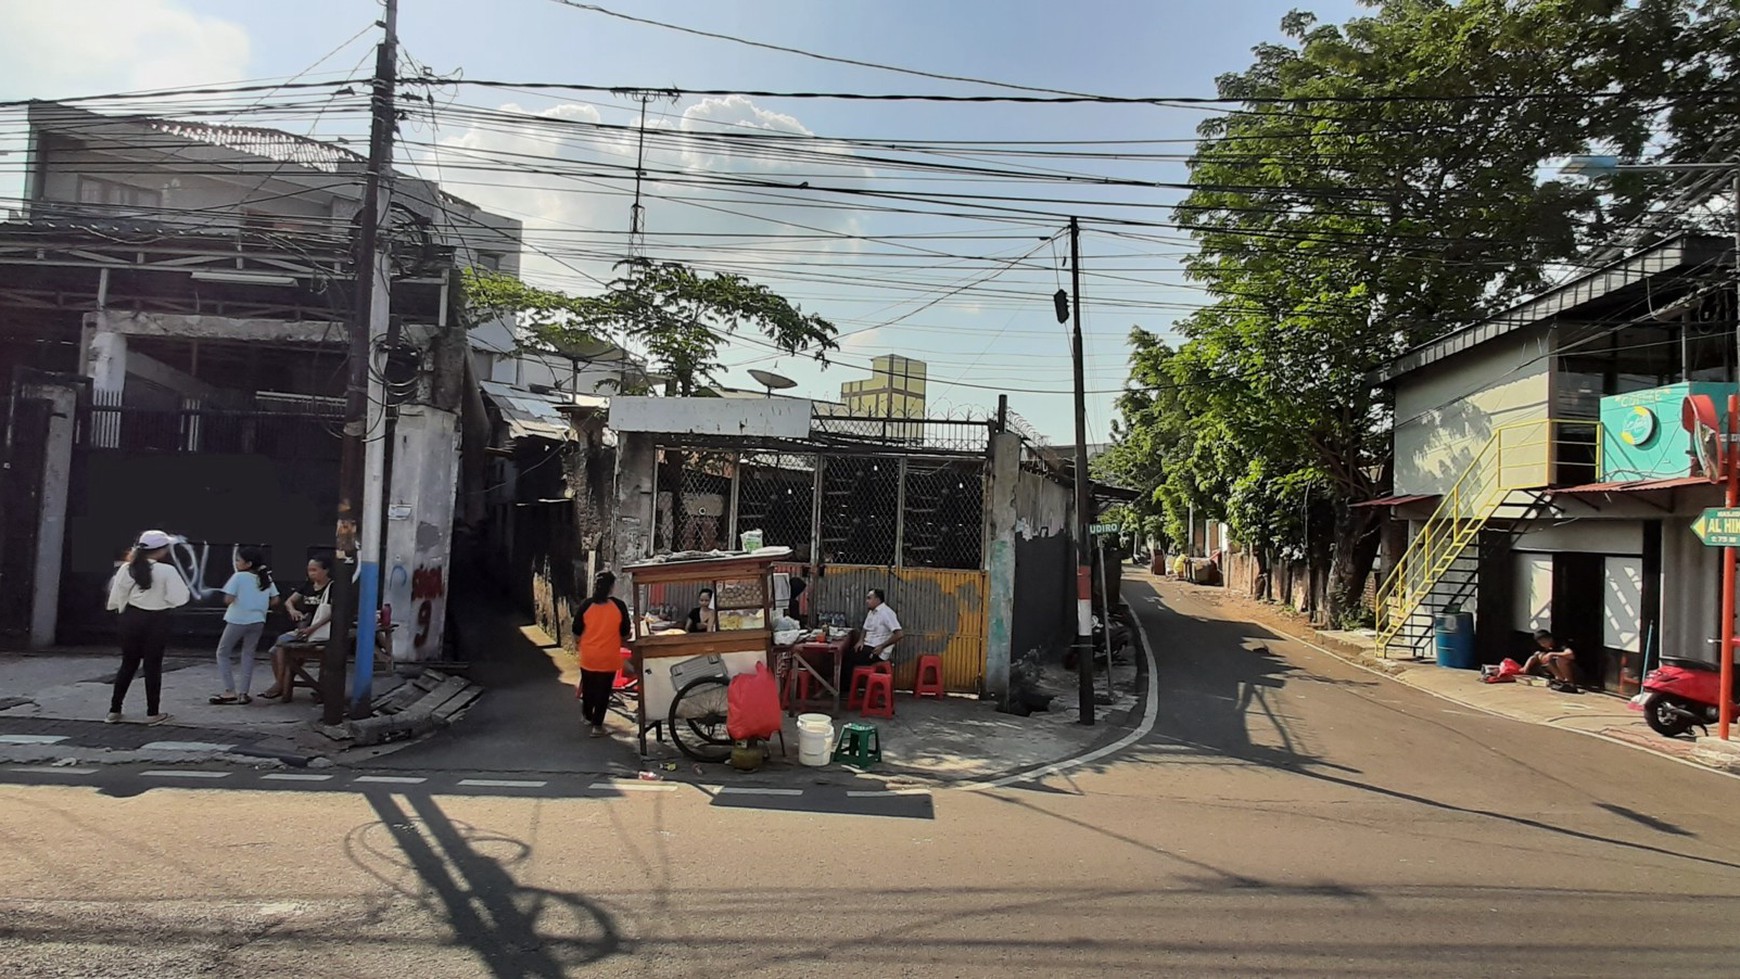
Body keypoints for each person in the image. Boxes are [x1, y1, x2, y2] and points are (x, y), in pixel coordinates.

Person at [105, 529, 191, 724]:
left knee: (128, 664)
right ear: (161, 550)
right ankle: (153, 712)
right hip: (157, 619)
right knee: (153, 666)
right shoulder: (167, 571)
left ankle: (114, 710)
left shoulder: (127, 568)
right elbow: (179, 597)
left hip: (130, 618)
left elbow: (117, 595)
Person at [260, 555, 334, 701]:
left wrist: (313, 628)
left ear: (325, 571)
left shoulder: (332, 587)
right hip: (304, 629)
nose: (311, 573)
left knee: (282, 643)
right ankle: (282, 681)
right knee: (274, 650)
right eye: (309, 570)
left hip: (319, 630)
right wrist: (293, 610)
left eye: (315, 570)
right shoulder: (307, 585)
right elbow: (289, 601)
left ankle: (281, 683)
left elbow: (332, 614)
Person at [211, 546, 278, 705]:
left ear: (248, 564)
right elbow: (275, 600)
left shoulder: (238, 577)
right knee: (248, 654)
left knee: (223, 653)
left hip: (237, 619)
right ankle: (244, 693)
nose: (236, 562)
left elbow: (228, 599)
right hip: (258, 620)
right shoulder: (266, 578)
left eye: (238, 560)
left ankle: (229, 691)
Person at [573, 571, 631, 737]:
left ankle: (587, 716)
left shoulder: (586, 605)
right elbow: (625, 632)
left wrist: (582, 642)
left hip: (589, 655)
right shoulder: (619, 606)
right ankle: (597, 727)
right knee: (603, 692)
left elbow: (576, 630)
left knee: (589, 688)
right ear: (611, 587)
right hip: (608, 656)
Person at [842, 588, 904, 683]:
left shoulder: (886, 613)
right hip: (867, 646)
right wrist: (860, 640)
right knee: (845, 655)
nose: (867, 601)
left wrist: (882, 646)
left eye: (869, 598)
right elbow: (864, 628)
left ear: (877, 600)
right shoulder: (871, 612)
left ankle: (844, 690)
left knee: (848, 659)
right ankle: (844, 687)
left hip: (877, 651)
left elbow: (899, 634)